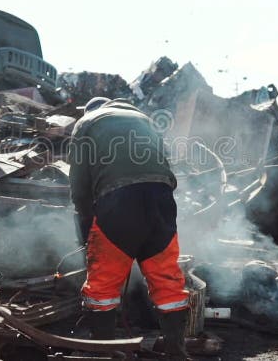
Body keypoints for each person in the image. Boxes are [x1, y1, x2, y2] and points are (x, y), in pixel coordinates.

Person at [68, 96, 190, 360]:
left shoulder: (86, 123)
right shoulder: (144, 120)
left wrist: (86, 227)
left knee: (102, 287)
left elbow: (79, 188)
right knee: (167, 280)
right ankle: (177, 353)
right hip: (162, 200)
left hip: (118, 202)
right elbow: (164, 166)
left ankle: (103, 351)